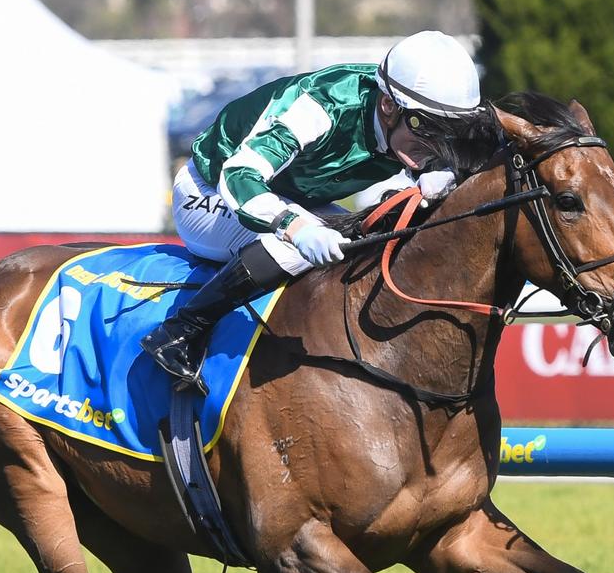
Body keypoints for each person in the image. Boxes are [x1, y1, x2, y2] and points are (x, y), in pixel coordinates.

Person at [143, 30, 482, 392]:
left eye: (448, 131)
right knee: (294, 244)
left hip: (293, 194)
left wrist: (445, 170)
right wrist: (295, 227)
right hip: (211, 190)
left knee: (367, 234)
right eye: (424, 127)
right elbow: (239, 177)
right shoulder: (321, 107)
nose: (434, 143)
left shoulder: (407, 111)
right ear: (388, 106)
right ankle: (180, 331)